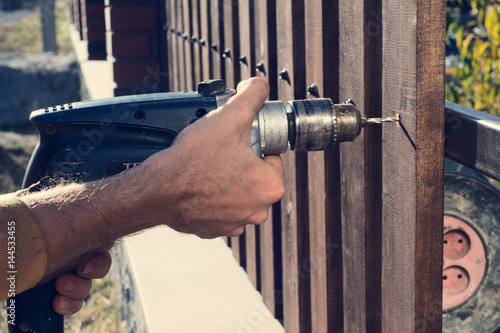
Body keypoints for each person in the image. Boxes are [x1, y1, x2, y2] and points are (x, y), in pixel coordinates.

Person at [0, 77, 285, 315]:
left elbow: (10, 239)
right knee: (35, 309)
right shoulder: (63, 152)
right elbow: (11, 244)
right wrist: (172, 189)